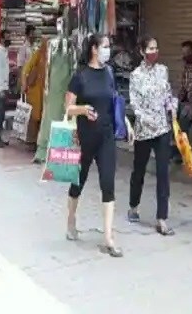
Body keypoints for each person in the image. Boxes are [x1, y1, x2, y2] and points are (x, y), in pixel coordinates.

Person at [64, 34, 131, 257]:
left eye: (108, 47)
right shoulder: (80, 76)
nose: (108, 50)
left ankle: (108, 237)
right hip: (84, 138)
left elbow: (114, 102)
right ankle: (71, 220)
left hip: (106, 136)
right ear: (94, 49)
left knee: (107, 183)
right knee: (78, 182)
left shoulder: (109, 73)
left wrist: (127, 123)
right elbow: (68, 108)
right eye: (105, 46)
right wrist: (83, 110)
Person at [127, 38, 175, 236]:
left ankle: (161, 218)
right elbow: (134, 103)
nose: (154, 51)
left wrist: (172, 109)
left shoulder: (163, 70)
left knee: (163, 173)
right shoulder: (135, 75)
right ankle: (133, 206)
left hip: (163, 129)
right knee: (139, 170)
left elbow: (168, 95)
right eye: (150, 48)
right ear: (142, 51)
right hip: (144, 131)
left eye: (156, 48)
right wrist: (144, 119)